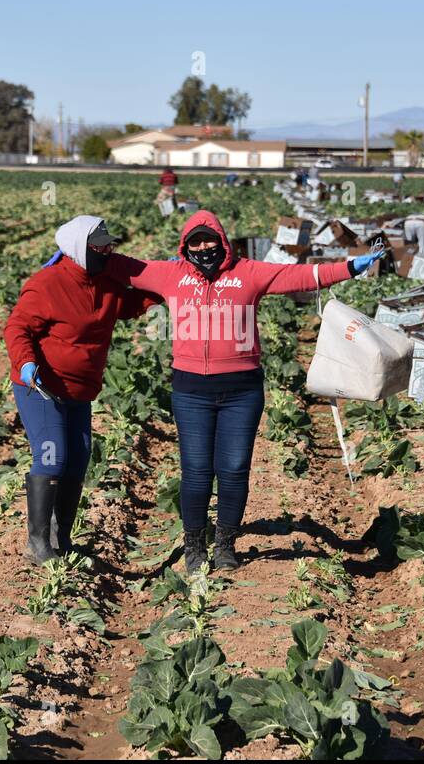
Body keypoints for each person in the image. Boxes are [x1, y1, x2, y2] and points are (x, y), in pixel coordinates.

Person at [104, 211, 386, 573]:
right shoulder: (170, 274)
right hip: (191, 391)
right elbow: (120, 266)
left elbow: (300, 277)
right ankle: (194, 545)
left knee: (235, 468)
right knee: (196, 472)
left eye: (209, 240)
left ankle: (224, 544)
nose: (203, 247)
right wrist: (72, 253)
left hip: (241, 391)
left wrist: (351, 267)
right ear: (185, 246)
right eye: (195, 242)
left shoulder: (248, 273)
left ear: (222, 241)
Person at [4, 216, 162, 563]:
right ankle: (38, 543)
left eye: (110, 245)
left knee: (78, 459)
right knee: (51, 455)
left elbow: (130, 304)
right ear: (81, 250)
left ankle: (62, 539)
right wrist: (27, 361)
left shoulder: (103, 282)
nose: (109, 251)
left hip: (80, 389)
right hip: (42, 387)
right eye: (101, 246)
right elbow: (17, 328)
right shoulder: (47, 284)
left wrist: (167, 289)